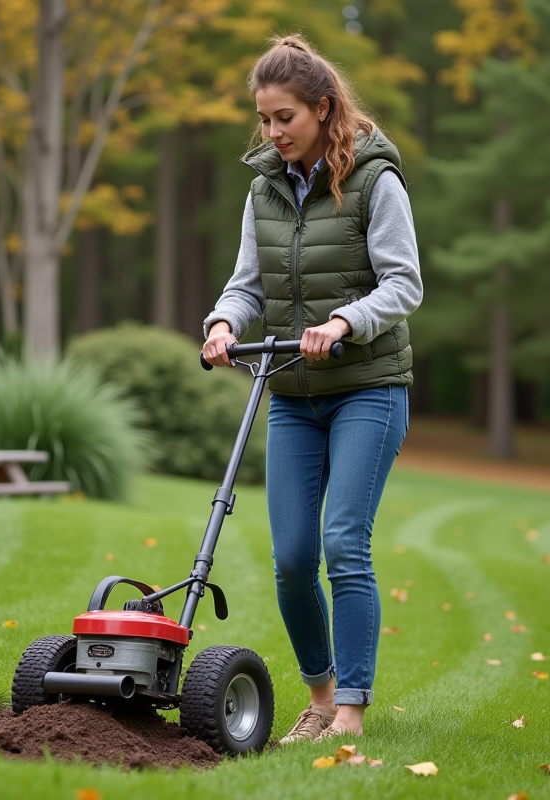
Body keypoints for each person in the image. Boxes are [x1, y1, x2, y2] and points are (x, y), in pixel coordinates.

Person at [201, 34, 422, 743]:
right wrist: (221, 324)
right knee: (293, 559)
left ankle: (352, 710)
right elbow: (247, 283)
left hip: (369, 387)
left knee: (342, 545)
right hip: (295, 393)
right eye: (264, 119)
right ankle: (321, 699)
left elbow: (404, 284)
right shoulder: (264, 186)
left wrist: (344, 321)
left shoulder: (374, 179)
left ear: (324, 110)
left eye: (284, 118)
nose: (272, 133)